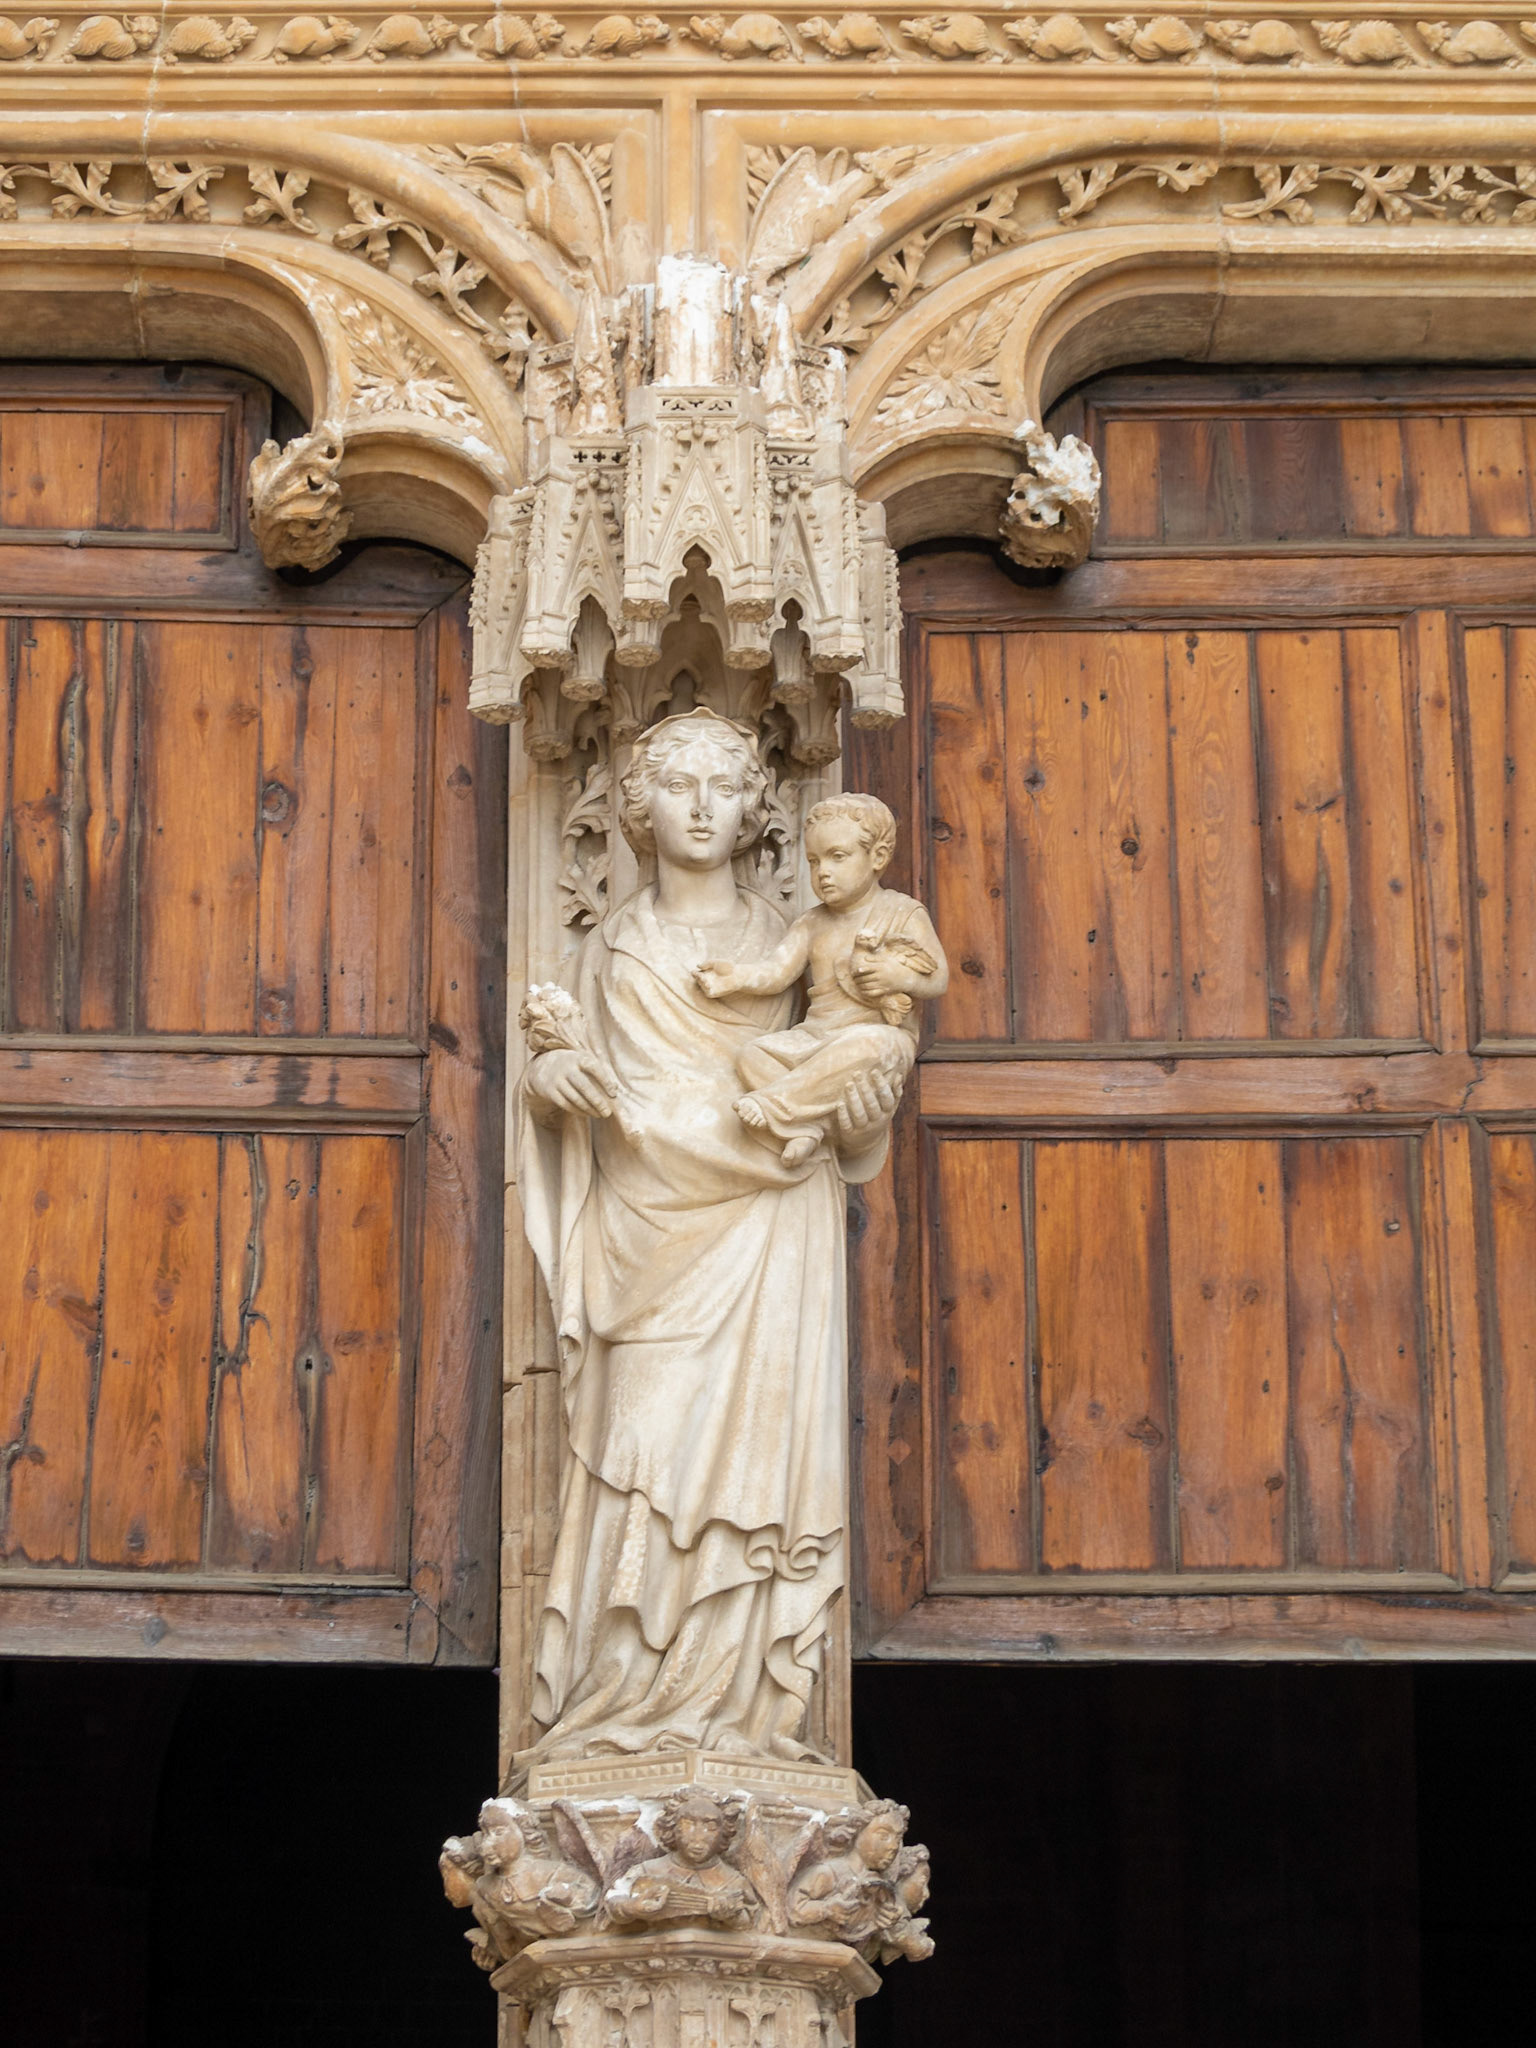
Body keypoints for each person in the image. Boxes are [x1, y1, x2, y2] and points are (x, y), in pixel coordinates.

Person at [516, 709, 901, 1765]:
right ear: (638, 810)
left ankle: (741, 1707)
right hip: (650, 1232)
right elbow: (574, 1087)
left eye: (722, 786)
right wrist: (554, 1080)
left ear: (751, 811)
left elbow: (844, 1084)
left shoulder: (795, 940)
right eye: (677, 785)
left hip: (772, 1232)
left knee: (759, 1468)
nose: (698, 806)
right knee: (644, 1450)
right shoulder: (612, 944)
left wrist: (859, 1090)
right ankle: (626, 1696)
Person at [695, 794, 948, 1167]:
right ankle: (806, 1127)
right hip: (816, 1038)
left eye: (837, 857)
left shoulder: (902, 912)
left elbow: (938, 978)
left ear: (877, 857)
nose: (822, 872)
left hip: (874, 1038)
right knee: (753, 1055)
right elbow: (777, 972)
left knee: (871, 1046)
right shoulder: (812, 923)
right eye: (814, 861)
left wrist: (898, 974)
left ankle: (777, 1104)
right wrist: (736, 978)